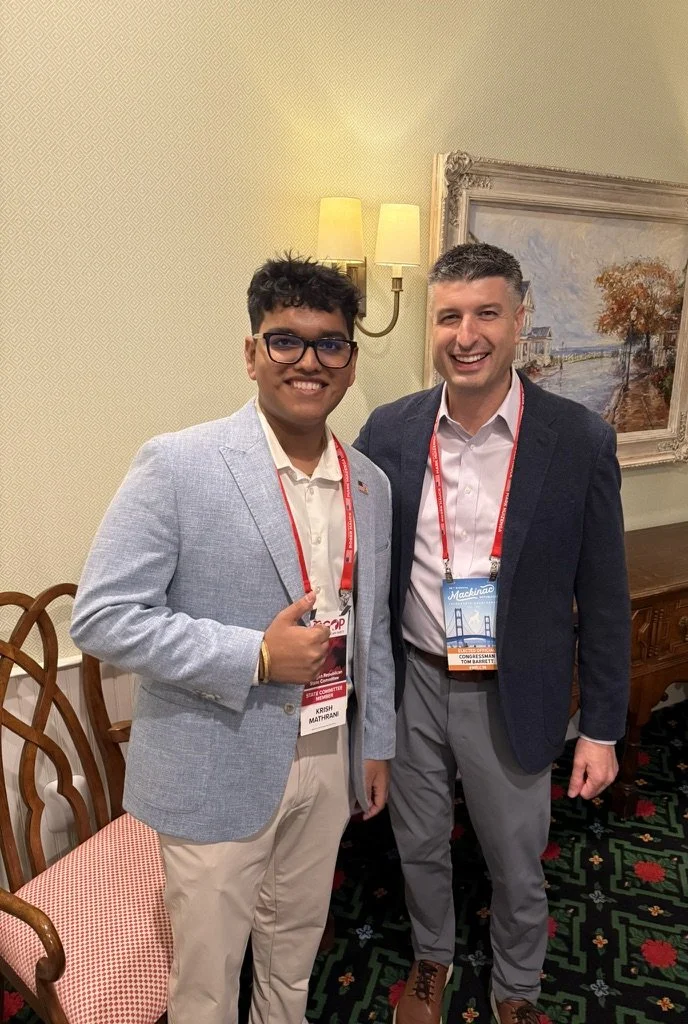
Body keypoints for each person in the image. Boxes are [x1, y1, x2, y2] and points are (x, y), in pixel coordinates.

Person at [71, 256, 396, 1024]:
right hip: (216, 760)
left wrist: (374, 743)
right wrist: (254, 655)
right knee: (208, 979)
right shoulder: (179, 464)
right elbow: (103, 616)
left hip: (328, 752)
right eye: (286, 340)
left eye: (330, 343)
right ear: (252, 353)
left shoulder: (371, 483)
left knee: (295, 948)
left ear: (351, 363)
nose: (309, 361)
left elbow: (372, 628)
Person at [355, 242, 630, 1024]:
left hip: (513, 688)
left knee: (515, 855)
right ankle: (432, 958)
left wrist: (602, 728)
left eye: (486, 314)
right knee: (417, 842)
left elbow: (604, 596)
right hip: (412, 680)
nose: (466, 334)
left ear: (518, 319)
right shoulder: (389, 430)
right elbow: (361, 566)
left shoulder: (578, 440)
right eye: (449, 316)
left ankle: (518, 986)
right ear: (432, 326)